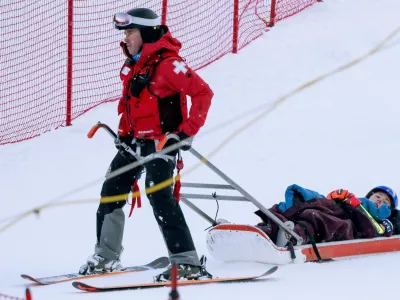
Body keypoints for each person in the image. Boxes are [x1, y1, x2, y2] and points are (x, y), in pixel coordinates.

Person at [79, 8, 214, 282]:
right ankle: (106, 255)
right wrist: (124, 133)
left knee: (159, 194)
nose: (125, 38)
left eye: (130, 32)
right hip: (135, 142)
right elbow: (134, 104)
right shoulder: (136, 63)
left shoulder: (167, 64)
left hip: (162, 143)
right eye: (125, 32)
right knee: (112, 189)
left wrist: (185, 133)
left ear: (147, 33)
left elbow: (202, 93)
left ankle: (187, 263)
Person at [255, 185, 398, 247]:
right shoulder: (357, 200)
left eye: (386, 201)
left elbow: (381, 226)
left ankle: (293, 235)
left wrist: (388, 214)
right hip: (337, 209)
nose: (380, 200)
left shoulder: (384, 219)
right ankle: (270, 227)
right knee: (305, 207)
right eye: (378, 196)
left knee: (317, 218)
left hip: (349, 223)